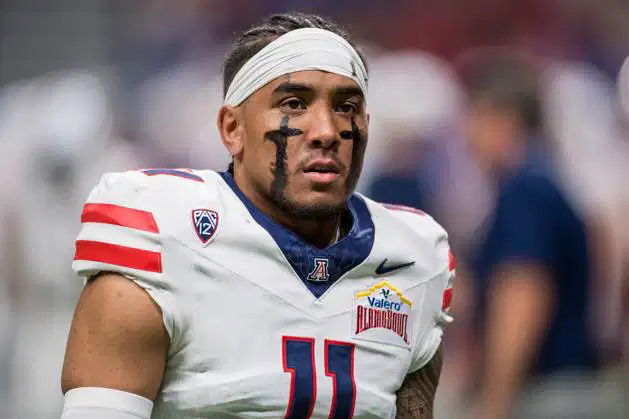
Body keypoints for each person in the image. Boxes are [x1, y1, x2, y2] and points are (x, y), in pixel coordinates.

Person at [60, 12, 455, 419]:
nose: (326, 131)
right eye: (294, 104)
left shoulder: (413, 258)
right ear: (233, 129)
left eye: (346, 107)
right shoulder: (163, 234)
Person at [464, 55, 599, 419]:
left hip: (547, 395)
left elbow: (522, 292)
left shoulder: (525, 189)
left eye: (473, 117)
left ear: (502, 117)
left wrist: (494, 404)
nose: (467, 135)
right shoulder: (542, 178)